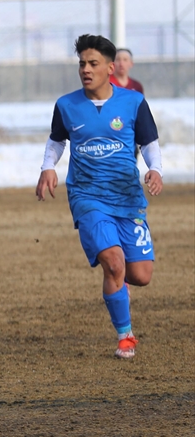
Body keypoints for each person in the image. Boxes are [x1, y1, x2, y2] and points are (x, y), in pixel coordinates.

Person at [36, 34, 162, 360]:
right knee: (114, 263)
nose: (85, 69)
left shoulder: (133, 102)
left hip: (128, 197)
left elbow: (148, 142)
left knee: (140, 275)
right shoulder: (67, 105)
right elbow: (56, 141)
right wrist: (48, 168)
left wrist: (155, 169)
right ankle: (126, 336)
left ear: (110, 67)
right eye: (82, 63)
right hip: (87, 196)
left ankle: (121, 282)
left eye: (93, 63)